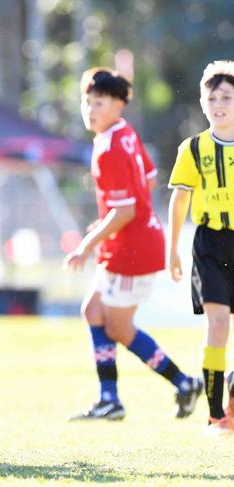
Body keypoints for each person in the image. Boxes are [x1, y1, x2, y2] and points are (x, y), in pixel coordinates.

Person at [64, 68, 202, 421]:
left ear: (119, 106)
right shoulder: (123, 133)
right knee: (93, 311)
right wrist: (116, 220)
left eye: (99, 103)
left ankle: (183, 381)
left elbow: (124, 210)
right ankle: (109, 398)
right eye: (87, 102)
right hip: (128, 242)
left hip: (132, 250)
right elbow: (150, 179)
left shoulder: (110, 146)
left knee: (119, 328)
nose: (90, 110)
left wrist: (87, 243)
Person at [167, 60, 234, 434]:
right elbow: (179, 200)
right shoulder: (192, 148)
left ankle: (232, 398)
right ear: (202, 102)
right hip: (209, 244)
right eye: (213, 97)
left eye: (227, 97)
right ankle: (215, 416)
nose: (219, 104)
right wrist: (172, 249)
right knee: (218, 326)